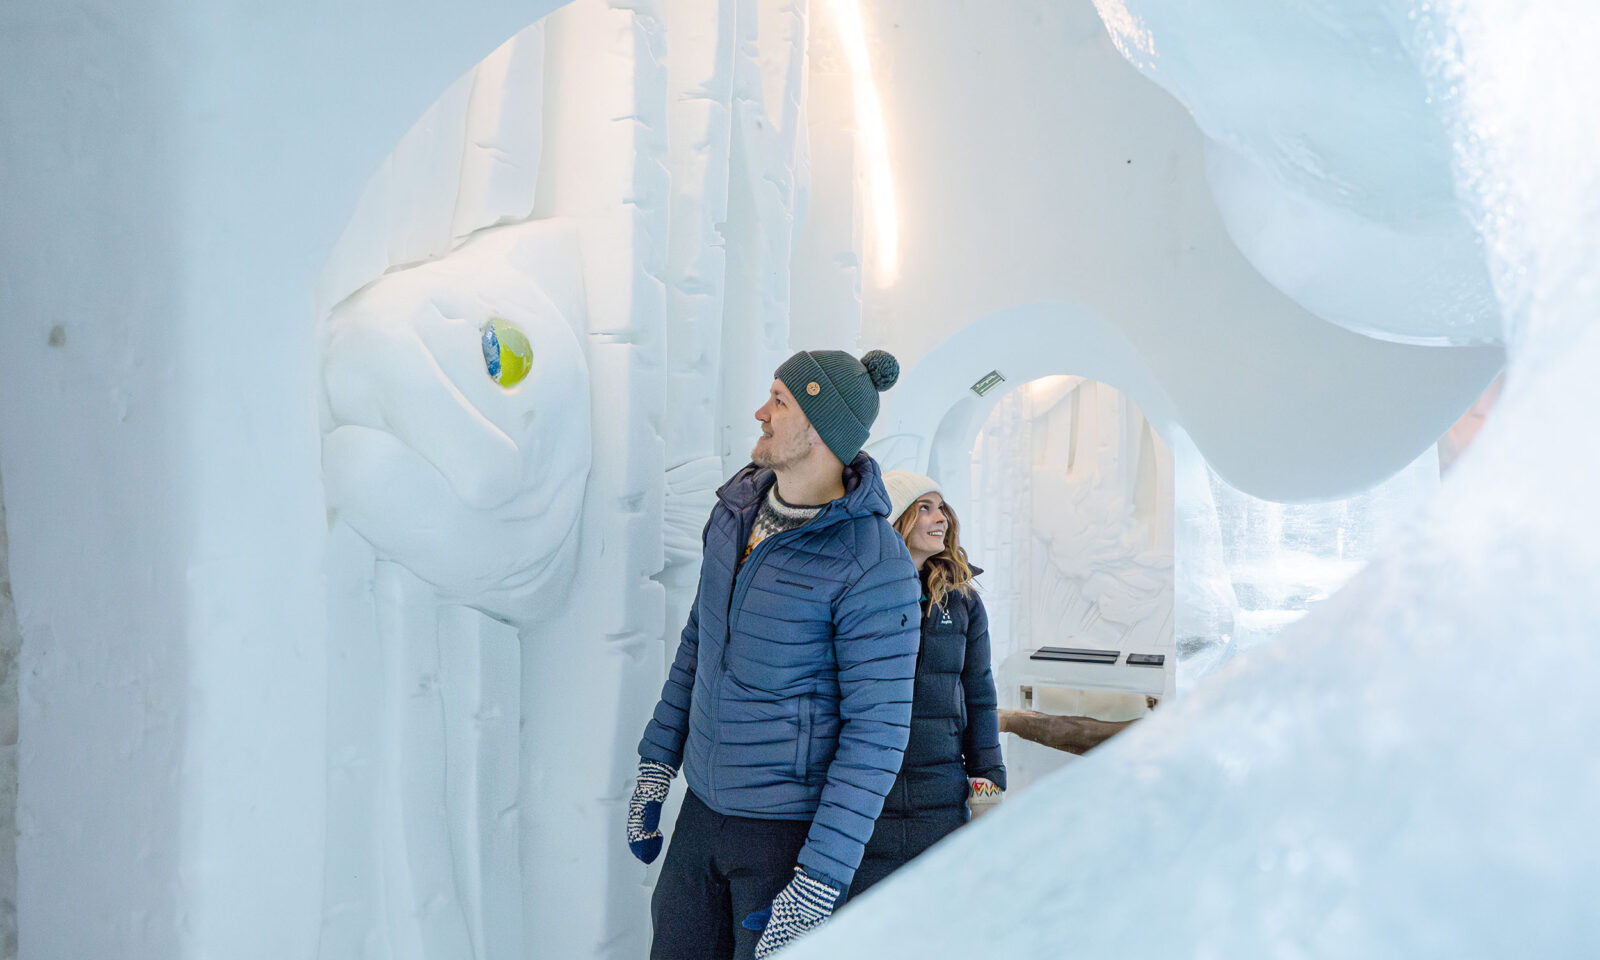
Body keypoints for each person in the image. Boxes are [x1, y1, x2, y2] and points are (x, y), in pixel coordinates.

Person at [627, 349, 922, 959]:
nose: (761, 414)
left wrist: (819, 881)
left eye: (781, 402)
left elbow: (877, 735)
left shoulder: (873, 561)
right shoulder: (735, 513)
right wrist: (658, 765)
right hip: (703, 816)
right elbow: (698, 646)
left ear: (821, 429)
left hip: (785, 839)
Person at [846, 471, 1007, 899]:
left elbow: (979, 692)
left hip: (939, 789)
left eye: (942, 509)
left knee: (935, 913)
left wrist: (987, 777)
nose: (942, 520)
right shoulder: (857, 594)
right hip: (868, 789)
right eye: (925, 508)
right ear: (897, 518)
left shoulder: (963, 601)